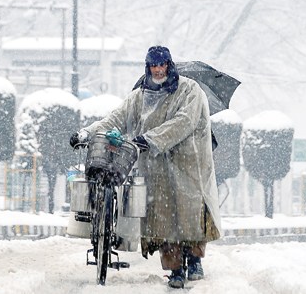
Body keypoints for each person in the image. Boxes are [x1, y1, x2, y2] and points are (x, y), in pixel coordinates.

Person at [70, 45, 221, 289]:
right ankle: (174, 269)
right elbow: (116, 119)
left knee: (190, 212)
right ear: (148, 67)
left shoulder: (190, 90)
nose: (158, 70)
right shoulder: (140, 96)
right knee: (163, 218)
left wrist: (149, 139)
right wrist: (86, 133)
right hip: (156, 168)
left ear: (169, 65)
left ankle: (194, 259)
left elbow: (185, 122)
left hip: (189, 164)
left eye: (162, 65)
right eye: (153, 65)